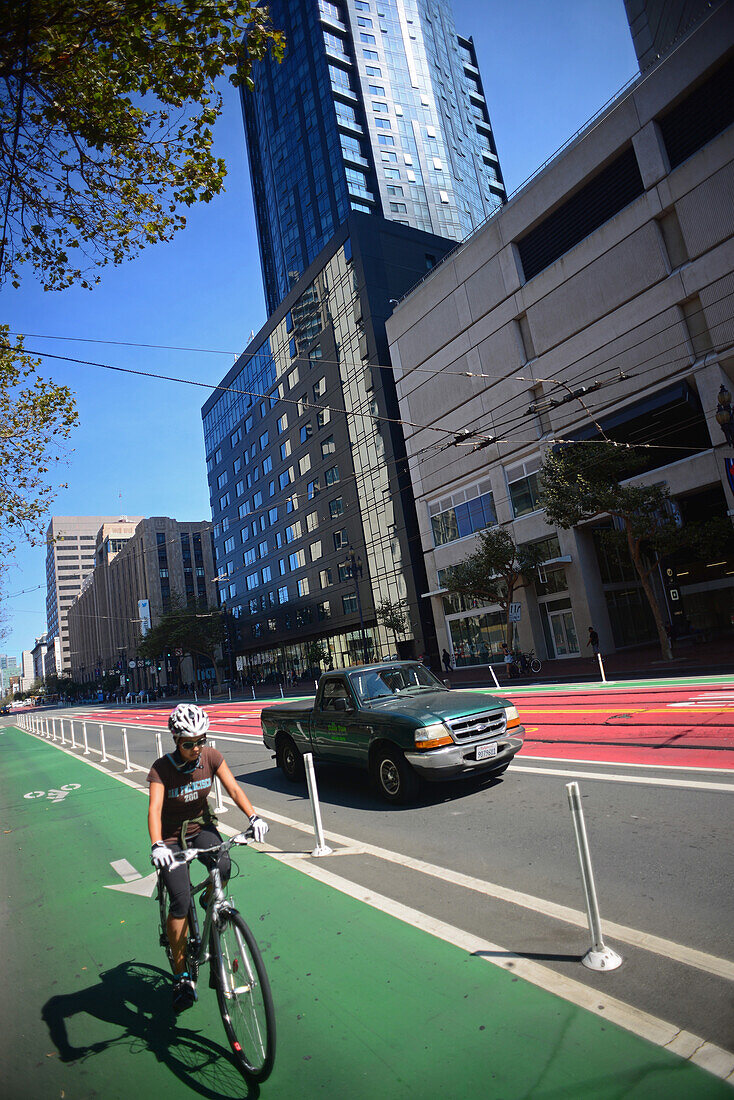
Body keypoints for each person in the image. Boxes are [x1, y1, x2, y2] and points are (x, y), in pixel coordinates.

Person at [147, 703, 269, 1013]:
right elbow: (154, 811)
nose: (196, 748)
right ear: (176, 740)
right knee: (178, 899)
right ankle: (181, 975)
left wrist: (253, 817)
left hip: (202, 828)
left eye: (201, 740)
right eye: (189, 743)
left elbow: (232, 787)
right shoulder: (162, 768)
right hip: (173, 838)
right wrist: (157, 844)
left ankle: (210, 903)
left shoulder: (211, 757)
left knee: (224, 863)